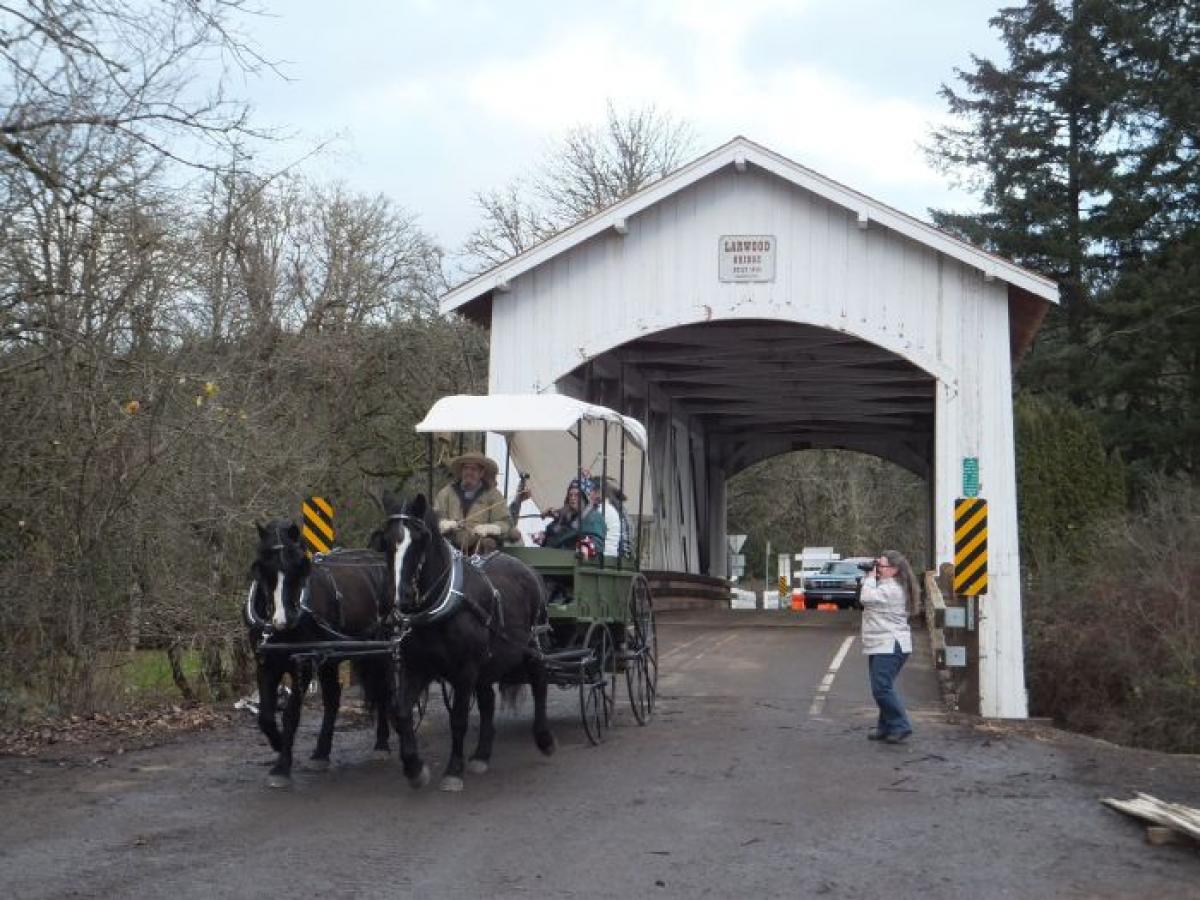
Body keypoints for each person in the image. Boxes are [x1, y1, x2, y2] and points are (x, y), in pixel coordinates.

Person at [859, 549, 921, 744]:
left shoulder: (892, 589)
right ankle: (885, 727)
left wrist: (869, 577)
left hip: (890, 644)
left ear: (893, 570)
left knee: (881, 688)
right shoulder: (888, 585)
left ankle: (901, 725)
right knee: (882, 687)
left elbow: (866, 598)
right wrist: (872, 575)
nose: (877, 568)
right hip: (883, 644)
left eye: (881, 565)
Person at [433, 451, 519, 554]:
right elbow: (435, 516)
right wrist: (443, 524)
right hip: (450, 546)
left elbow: (506, 523)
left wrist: (490, 528)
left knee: (488, 544)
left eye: (473, 469)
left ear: (481, 473)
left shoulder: (493, 495)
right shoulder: (446, 493)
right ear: (461, 471)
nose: (469, 472)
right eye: (466, 468)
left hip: (480, 548)